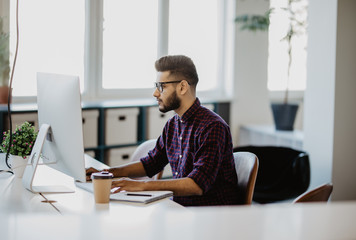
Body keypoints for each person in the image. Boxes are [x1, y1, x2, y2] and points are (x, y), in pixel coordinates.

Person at [86, 55, 240, 206]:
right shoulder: (173, 124)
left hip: (211, 217)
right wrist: (108, 173)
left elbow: (196, 185)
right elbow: (151, 164)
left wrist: (141, 185)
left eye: (162, 86)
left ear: (182, 87)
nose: (155, 93)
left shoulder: (212, 127)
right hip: (181, 209)